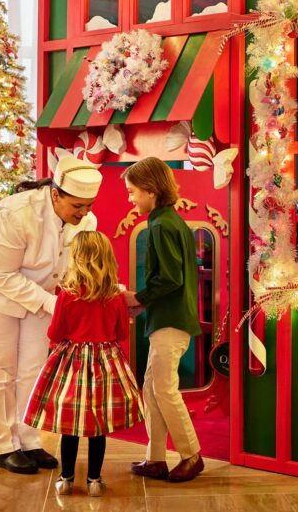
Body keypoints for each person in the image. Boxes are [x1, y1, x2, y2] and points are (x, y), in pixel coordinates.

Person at [0, 155, 101, 475]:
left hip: (43, 296)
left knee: (32, 371)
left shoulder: (85, 222)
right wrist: (55, 305)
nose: (84, 213)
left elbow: (74, 264)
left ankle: (29, 438)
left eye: (89, 206)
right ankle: (3, 445)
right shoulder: (14, 214)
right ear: (56, 194)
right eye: (77, 205)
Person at [24, 231, 144, 497]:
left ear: (76, 258)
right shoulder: (114, 295)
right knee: (97, 425)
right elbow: (122, 333)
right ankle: (94, 481)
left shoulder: (67, 295)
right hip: (106, 364)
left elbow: (55, 333)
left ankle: (66, 479)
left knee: (72, 424)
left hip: (72, 364)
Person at [121, 157, 204, 483]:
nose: (131, 199)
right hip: (169, 318)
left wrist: (138, 298)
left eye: (133, 192)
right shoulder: (173, 221)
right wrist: (146, 305)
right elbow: (178, 278)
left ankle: (191, 455)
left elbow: (169, 278)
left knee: (164, 389)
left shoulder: (159, 226)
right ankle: (155, 458)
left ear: (151, 191)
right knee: (151, 388)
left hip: (170, 322)